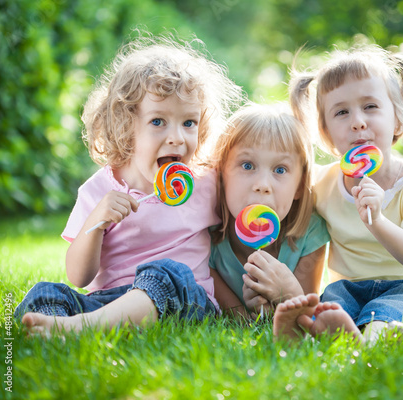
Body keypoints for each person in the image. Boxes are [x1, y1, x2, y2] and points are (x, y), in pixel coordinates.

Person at [15, 34, 242, 333]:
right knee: (46, 293)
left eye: (189, 122)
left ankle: (77, 329)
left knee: (167, 271)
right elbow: (79, 277)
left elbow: (237, 229)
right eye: (158, 121)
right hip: (108, 302)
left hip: (183, 300)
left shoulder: (205, 183)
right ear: (126, 125)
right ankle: (63, 327)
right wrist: (97, 220)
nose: (176, 137)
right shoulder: (98, 191)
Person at [274, 43, 403, 343]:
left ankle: (375, 335)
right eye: (342, 112)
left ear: (397, 117)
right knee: (330, 303)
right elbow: (290, 212)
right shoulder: (324, 184)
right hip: (351, 286)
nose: (357, 121)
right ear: (326, 133)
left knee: (384, 311)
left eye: (370, 106)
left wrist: (378, 221)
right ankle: (310, 329)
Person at [209, 103, 330, 317]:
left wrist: (285, 294)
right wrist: (246, 314)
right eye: (247, 165)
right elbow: (239, 320)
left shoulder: (311, 233)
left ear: (300, 186)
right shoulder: (205, 233)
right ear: (220, 174)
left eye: (280, 170)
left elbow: (305, 314)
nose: (263, 184)